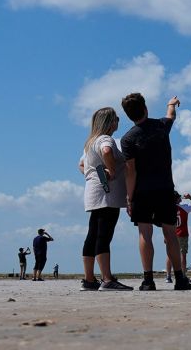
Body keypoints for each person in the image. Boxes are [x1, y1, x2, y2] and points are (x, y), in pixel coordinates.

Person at [120, 93, 191, 291]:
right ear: (145, 108)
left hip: (142, 192)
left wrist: (129, 197)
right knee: (170, 233)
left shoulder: (127, 139)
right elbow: (171, 116)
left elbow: (131, 171)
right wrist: (171, 103)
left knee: (145, 233)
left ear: (128, 115)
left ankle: (148, 280)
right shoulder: (160, 126)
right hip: (165, 188)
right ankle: (180, 278)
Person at [79, 106, 133, 291]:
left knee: (92, 235)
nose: (118, 121)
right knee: (104, 235)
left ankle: (88, 279)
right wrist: (110, 171)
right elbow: (107, 151)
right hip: (107, 194)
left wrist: (92, 175)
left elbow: (81, 164)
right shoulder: (104, 139)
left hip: (93, 192)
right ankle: (107, 279)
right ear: (110, 122)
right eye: (116, 118)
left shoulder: (90, 142)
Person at [166, 192, 191, 283]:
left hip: (170, 234)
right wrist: (190, 197)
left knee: (169, 255)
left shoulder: (168, 208)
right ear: (177, 199)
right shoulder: (184, 207)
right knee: (183, 255)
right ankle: (183, 275)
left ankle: (168, 276)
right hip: (182, 234)